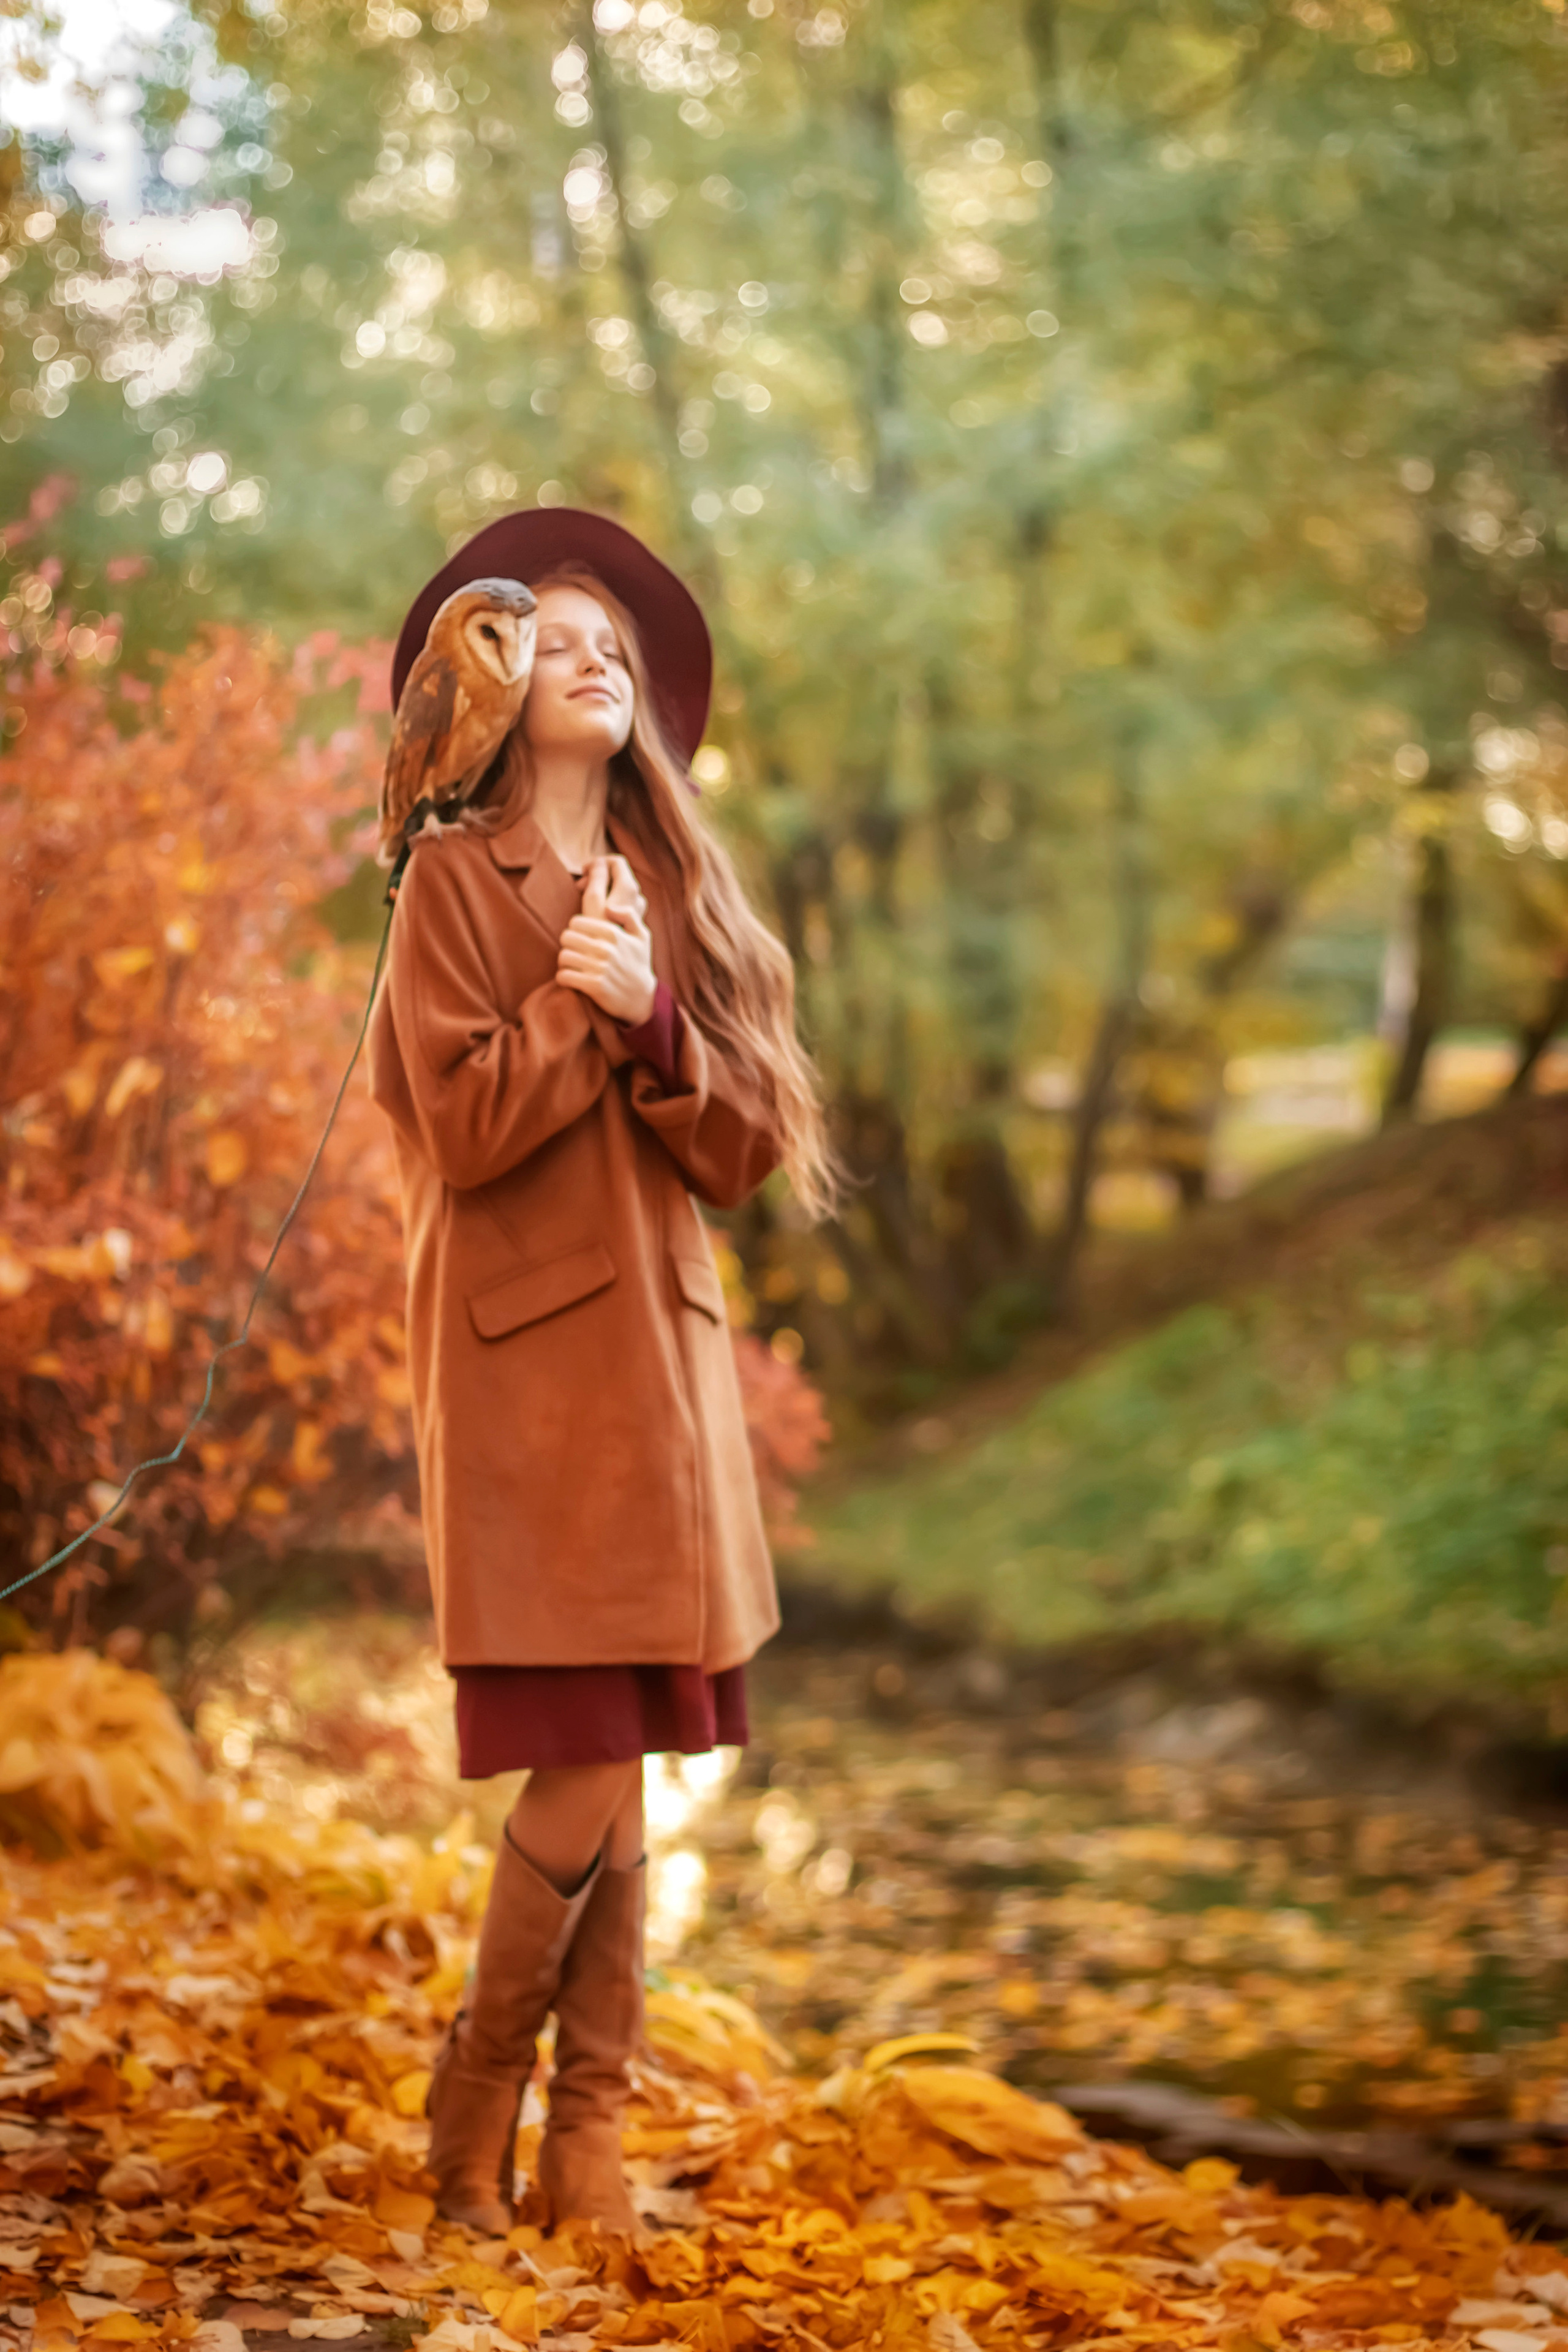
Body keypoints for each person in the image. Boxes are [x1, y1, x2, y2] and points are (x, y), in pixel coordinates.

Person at [366, 508, 836, 2238]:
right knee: (583, 1759)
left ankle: (588, 2148)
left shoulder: (671, 886)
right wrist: (581, 1006)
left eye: (615, 642)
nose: (595, 655)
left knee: (632, 1757)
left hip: (669, 1378)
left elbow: (741, 1151)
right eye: (559, 636)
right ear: (495, 690)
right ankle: (474, 2104)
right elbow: (469, 1128)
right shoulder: (444, 885)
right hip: (526, 1387)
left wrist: (649, 1011)